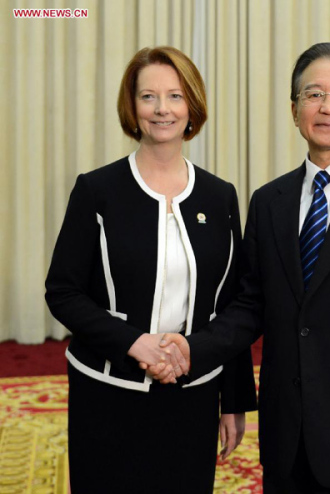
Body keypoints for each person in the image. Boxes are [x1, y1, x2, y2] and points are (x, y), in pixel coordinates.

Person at [152, 42, 330, 493]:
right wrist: (195, 348)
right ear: (294, 111)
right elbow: (252, 303)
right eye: (314, 94)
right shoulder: (270, 201)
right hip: (287, 428)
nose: (328, 107)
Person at [45, 46, 256, 494]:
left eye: (175, 96)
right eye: (149, 97)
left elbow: (235, 303)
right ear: (132, 106)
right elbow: (62, 291)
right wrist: (135, 343)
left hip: (192, 390)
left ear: (192, 106)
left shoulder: (221, 197)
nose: (163, 109)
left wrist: (233, 401)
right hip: (107, 390)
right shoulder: (96, 191)